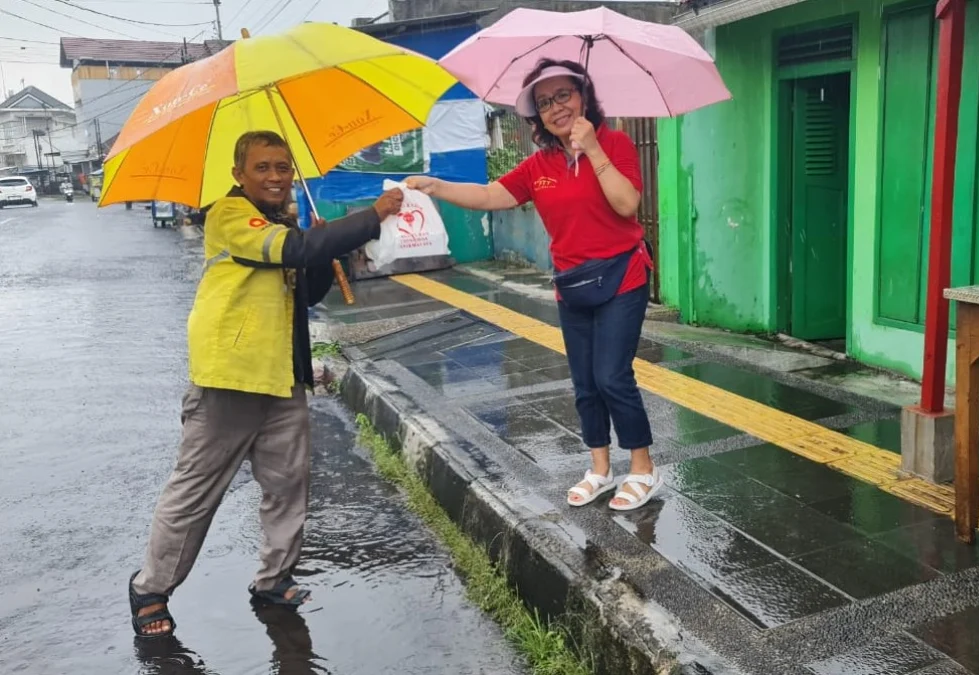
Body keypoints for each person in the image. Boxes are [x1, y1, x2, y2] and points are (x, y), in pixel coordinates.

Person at [129, 130, 403, 638]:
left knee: (287, 486)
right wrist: (369, 217)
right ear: (239, 175)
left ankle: (273, 580)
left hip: (282, 376)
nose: (275, 177)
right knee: (196, 491)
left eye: (282, 167)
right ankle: (150, 589)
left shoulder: (288, 223)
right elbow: (290, 250)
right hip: (230, 375)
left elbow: (310, 289)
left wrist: (323, 251)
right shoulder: (231, 217)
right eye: (262, 168)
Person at [405, 58, 659, 512]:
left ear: (583, 97)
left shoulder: (616, 143)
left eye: (563, 95)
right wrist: (436, 186)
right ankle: (599, 469)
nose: (555, 107)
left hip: (623, 275)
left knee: (612, 376)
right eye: (544, 102)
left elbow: (627, 205)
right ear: (536, 116)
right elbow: (488, 197)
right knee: (584, 382)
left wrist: (594, 150)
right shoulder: (537, 165)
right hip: (572, 283)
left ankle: (642, 468)